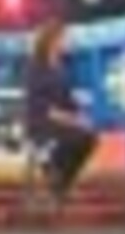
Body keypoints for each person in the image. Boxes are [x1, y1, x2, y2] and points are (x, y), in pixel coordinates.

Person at [23, 21, 98, 204]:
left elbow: (68, 101)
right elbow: (42, 107)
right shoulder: (36, 68)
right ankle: (53, 172)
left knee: (89, 136)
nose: (67, 42)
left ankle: (60, 181)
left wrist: (81, 116)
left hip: (60, 121)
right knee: (77, 136)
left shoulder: (61, 68)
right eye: (64, 38)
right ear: (52, 41)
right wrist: (73, 120)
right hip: (41, 122)